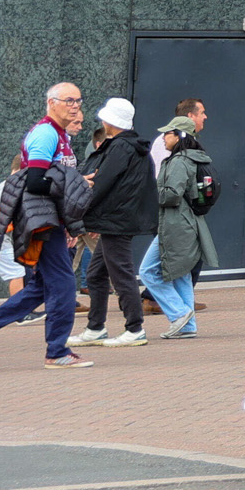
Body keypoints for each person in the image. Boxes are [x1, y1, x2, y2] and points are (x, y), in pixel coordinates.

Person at [0, 82, 91, 367]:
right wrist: (75, 183)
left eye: (78, 100)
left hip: (53, 221)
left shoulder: (62, 135)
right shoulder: (45, 134)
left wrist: (69, 222)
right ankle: (56, 352)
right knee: (64, 286)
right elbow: (34, 181)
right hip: (42, 222)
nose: (75, 105)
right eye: (68, 100)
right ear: (51, 102)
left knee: (41, 289)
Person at [70, 97, 153, 348]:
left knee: (121, 273)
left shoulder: (120, 148)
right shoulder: (131, 147)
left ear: (111, 121)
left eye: (104, 118)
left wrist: (79, 212)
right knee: (96, 274)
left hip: (116, 220)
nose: (102, 122)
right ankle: (95, 327)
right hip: (117, 219)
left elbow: (102, 183)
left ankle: (135, 327)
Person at [146, 111, 212, 338]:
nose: (164, 137)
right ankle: (188, 326)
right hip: (186, 222)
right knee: (182, 274)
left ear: (179, 136)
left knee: (146, 272)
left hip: (175, 223)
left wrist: (151, 193)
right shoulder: (194, 158)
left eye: (168, 133)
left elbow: (172, 195)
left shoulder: (179, 161)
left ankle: (178, 313)